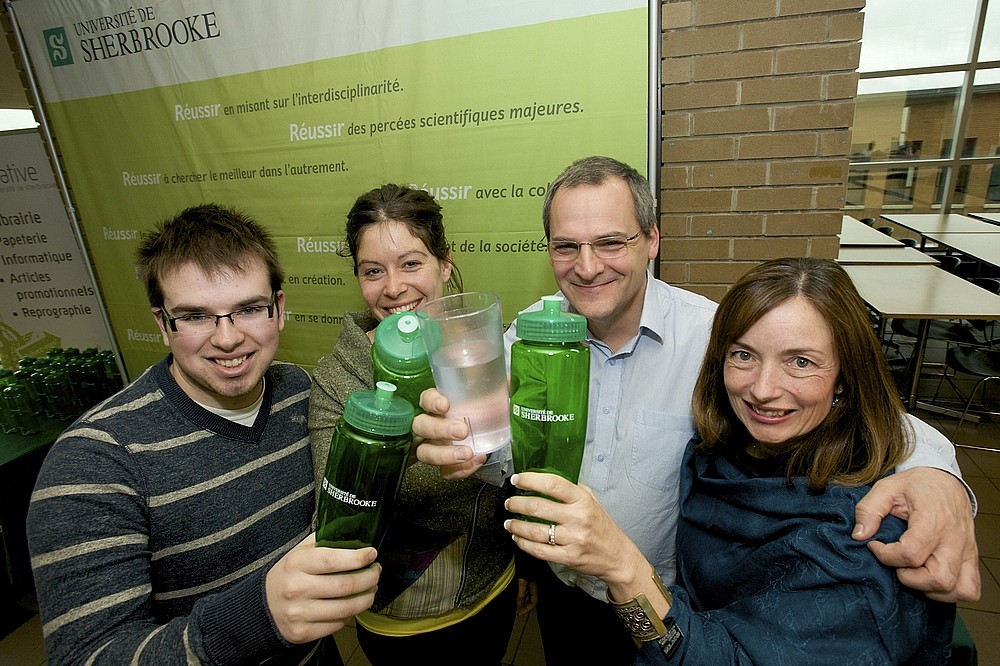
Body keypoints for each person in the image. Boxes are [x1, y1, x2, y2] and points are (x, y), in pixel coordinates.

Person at [413, 156, 980, 664]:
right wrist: (469, 453)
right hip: (568, 593)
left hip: (676, 602)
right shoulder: (527, 338)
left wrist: (937, 476)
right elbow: (509, 453)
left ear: (651, 240)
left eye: (611, 242)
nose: (586, 267)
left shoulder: (715, 338)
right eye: (567, 246)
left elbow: (868, 413)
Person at [505, 257, 960, 664]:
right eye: (744, 355)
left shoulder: (854, 540)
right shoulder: (731, 445)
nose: (762, 388)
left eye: (800, 362)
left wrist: (622, 565)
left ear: (846, 374)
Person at [26, 204, 380, 666]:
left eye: (249, 309)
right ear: (162, 324)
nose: (227, 338)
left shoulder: (301, 392)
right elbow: (88, 656)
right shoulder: (93, 464)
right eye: (195, 316)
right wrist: (258, 616)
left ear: (279, 309)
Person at [308, 184, 525, 665]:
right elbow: (340, 516)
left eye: (411, 263)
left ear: (445, 264)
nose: (392, 288)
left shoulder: (483, 352)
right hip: (399, 621)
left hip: (494, 588)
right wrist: (396, 446)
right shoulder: (337, 378)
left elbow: (518, 474)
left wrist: (527, 567)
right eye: (372, 271)